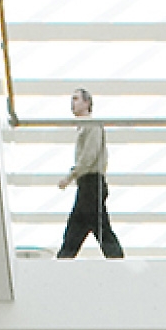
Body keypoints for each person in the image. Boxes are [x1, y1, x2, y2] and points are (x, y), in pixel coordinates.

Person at [55, 88, 124, 259]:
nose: (73, 103)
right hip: (87, 185)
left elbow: (89, 156)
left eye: (76, 99)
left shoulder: (92, 125)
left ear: (87, 103)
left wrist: (70, 176)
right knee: (89, 227)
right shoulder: (84, 128)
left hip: (91, 184)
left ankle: (63, 262)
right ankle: (64, 260)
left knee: (87, 227)